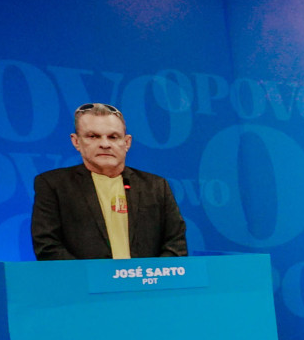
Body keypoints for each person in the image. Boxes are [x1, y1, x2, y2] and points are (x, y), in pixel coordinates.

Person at [31, 102, 188, 260]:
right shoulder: (53, 185)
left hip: (147, 283)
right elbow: (47, 246)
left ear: (126, 142)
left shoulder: (156, 186)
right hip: (83, 283)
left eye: (113, 137)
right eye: (93, 136)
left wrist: (149, 279)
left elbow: (175, 245)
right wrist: (95, 280)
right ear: (76, 141)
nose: (105, 144)